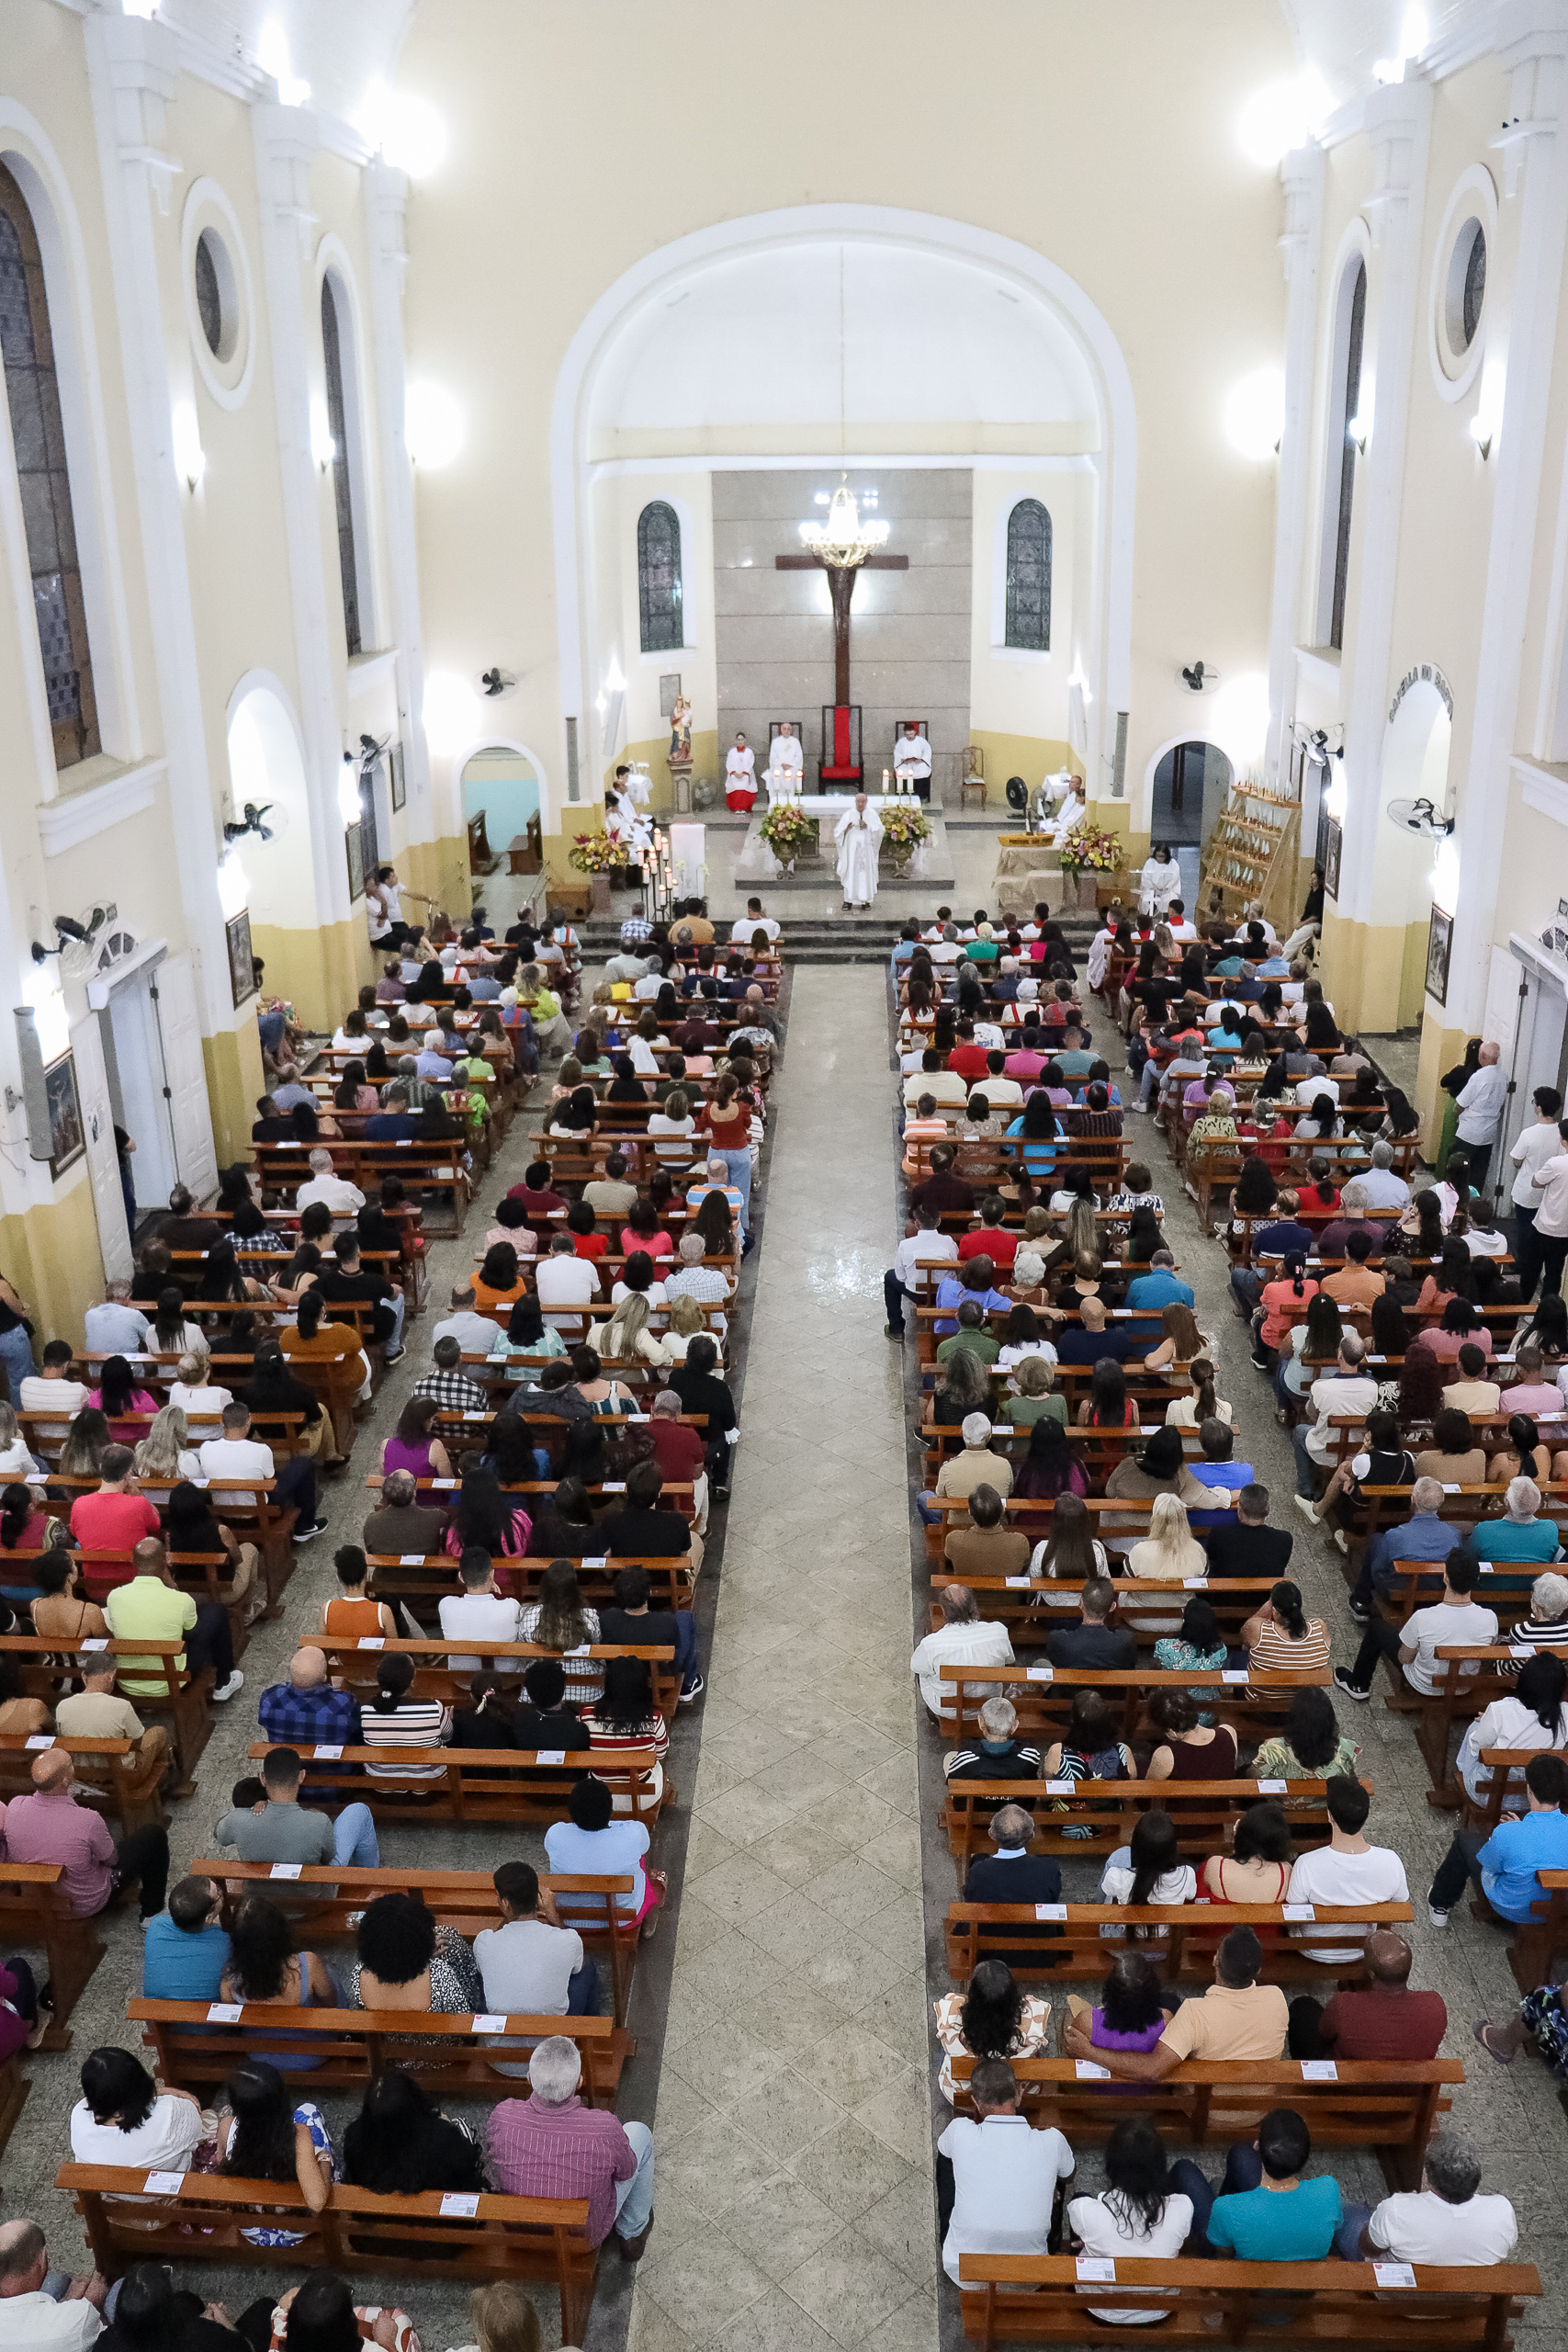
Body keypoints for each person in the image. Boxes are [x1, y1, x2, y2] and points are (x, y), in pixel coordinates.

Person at [488, 2033, 655, 2256]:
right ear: (579, 2082)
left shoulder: (503, 2116)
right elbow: (626, 2171)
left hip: (520, 2230)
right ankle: (632, 2232)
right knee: (639, 2132)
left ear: (529, 2078)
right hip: (581, 2238)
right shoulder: (603, 2128)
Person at [1063, 1926, 1287, 2080]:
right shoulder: (1277, 1998)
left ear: (1215, 1960)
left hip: (1205, 2108)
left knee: (1071, 2017)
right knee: (1170, 2001)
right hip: (1258, 2108)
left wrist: (1090, 2052)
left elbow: (1152, 2070)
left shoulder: (1194, 2012)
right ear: (1258, 1969)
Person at [937, 2056, 1074, 2286]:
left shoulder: (959, 2131)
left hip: (963, 2270)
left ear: (976, 2102)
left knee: (947, 2157)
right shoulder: (1052, 2140)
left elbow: (944, 2150)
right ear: (1018, 2095)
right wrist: (1044, 2182)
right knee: (1058, 2168)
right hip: (1032, 2275)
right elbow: (1069, 2174)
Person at [3, 1745, 170, 1919]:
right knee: (153, 1836)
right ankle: (151, 1914)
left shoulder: (15, 1806)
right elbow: (112, 1860)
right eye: (71, 1764)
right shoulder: (88, 1819)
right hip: (86, 1903)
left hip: (37, 1899)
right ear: (66, 1780)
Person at [1065, 2120, 1194, 2324]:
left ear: (1112, 2162)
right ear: (1160, 2163)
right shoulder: (1182, 2207)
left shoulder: (1085, 2209)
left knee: (1081, 2198)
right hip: (1159, 2311)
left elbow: (1081, 2213)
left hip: (1101, 2310)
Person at [1334, 1545, 1498, 1703]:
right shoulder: (1490, 1618)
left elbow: (1404, 1658)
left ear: (1446, 1577)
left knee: (1377, 1627)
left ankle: (1358, 1684)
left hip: (1424, 1684)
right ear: (1476, 1579)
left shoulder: (1423, 1617)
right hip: (1463, 1687)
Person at [1176, 2106, 1341, 2262]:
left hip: (1248, 2275)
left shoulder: (1226, 2207)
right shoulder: (1329, 2189)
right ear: (1305, 2156)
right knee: (1240, 2152)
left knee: (1184, 2170)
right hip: (1302, 2273)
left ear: (1257, 2146)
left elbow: (1223, 2253)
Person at [1427, 1750, 1568, 1927]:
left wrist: (1512, 1832)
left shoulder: (1509, 1832)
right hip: (1560, 1908)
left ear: (1529, 1788)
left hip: (1513, 1908)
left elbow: (1490, 1864)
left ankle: (1440, 1903)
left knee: (1464, 1842)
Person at [1281, 1776, 1408, 1964]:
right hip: (1363, 1947)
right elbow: (1399, 1904)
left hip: (1313, 1947)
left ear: (1329, 1816)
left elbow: (1294, 1908)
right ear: (1366, 1816)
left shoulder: (1306, 1864)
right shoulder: (1391, 1861)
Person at [105, 1534, 243, 1704]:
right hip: (173, 1680)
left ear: (133, 1562)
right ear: (165, 1562)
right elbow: (193, 1633)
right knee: (216, 1611)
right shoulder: (181, 1600)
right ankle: (224, 1681)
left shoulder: (114, 1596)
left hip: (128, 1682)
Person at [474, 1860, 598, 2041]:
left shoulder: (484, 1941)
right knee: (585, 1965)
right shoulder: (567, 1939)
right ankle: (591, 2033)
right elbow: (576, 1956)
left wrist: (508, 1916)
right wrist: (553, 1915)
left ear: (505, 1903)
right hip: (551, 2047)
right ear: (537, 1898)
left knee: (483, 1972)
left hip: (500, 2048)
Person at [1290, 1928, 1447, 2064]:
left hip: (1346, 2082)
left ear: (1371, 1974)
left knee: (1302, 2006)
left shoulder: (1344, 2005)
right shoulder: (1434, 2005)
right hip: (1408, 2084)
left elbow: (1324, 2034)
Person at [219, 1743, 379, 1869]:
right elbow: (328, 1858)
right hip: (313, 1895)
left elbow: (219, 1835)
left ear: (263, 1778)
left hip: (261, 1894)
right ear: (301, 1776)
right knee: (359, 1811)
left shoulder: (236, 1820)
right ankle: (368, 1880)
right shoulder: (318, 1821)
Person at [342, 2068, 484, 2195]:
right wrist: (446, 2124)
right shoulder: (442, 2137)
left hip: (377, 2211)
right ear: (414, 2100)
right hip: (439, 2211)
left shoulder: (355, 2136)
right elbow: (467, 2167)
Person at [69, 2045, 205, 2171]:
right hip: (171, 2184)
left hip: (113, 2188)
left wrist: (159, 2092)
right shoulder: (170, 2113)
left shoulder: (79, 2115)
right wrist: (162, 2093)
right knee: (211, 2118)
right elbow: (196, 2126)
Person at [0, 2217, 108, 2349]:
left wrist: (68, 2299)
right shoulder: (79, 2318)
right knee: (116, 2292)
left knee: (57, 2281)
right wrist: (92, 2302)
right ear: (40, 2262)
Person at [910, 1582, 1014, 1716]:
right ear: (973, 1606)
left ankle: (932, 1712)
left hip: (948, 1709)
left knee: (924, 1671)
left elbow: (916, 1666)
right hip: (989, 1705)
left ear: (944, 1611)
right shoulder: (998, 1631)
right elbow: (1010, 1660)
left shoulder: (931, 1644)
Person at [142, 1874, 231, 2001]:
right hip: (204, 2013)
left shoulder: (156, 1926)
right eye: (217, 1893)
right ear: (208, 1917)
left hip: (157, 2012)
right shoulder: (227, 1943)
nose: (219, 1891)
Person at [258, 1645, 362, 1749]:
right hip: (331, 1758)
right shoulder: (344, 1704)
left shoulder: (270, 1699)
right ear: (324, 1677)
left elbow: (263, 1721)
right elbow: (357, 1731)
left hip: (288, 1758)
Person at [1203, 1482, 1294, 1581]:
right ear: (1267, 1510)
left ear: (1239, 1507)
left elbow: (1210, 1560)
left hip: (1222, 1590)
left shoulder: (1219, 1533)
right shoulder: (1284, 1539)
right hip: (1267, 1591)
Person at [943, 1694, 1043, 1783]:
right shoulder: (1030, 1755)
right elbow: (1031, 1777)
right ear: (1014, 1726)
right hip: (1014, 1797)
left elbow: (952, 1782)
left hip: (977, 1797)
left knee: (950, 1756)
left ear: (981, 1722)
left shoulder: (966, 1757)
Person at [1044, 1577, 1136, 1669]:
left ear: (1081, 1603)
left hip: (1070, 1679)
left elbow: (1055, 1660)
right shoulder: (1126, 1639)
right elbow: (1130, 1664)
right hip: (1112, 1679)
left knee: (1041, 1663)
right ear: (1112, 1607)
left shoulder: (1058, 1638)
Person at [1452, 1040, 1507, 1189]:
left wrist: (1457, 1113)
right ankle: (1474, 1201)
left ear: (1481, 1056)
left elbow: (1461, 1104)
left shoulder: (1479, 1077)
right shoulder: (1503, 1077)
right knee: (1478, 1175)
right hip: (1488, 1132)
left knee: (1458, 1172)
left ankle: (1455, 1200)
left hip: (1470, 1132)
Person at [834, 791, 884, 910]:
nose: (860, 804)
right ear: (855, 802)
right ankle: (848, 900)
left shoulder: (872, 814)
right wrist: (846, 829)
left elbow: (880, 830)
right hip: (852, 848)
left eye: (863, 801)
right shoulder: (848, 814)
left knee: (865, 872)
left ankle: (866, 901)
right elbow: (838, 832)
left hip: (867, 848)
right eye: (858, 801)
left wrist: (868, 827)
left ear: (866, 802)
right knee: (851, 872)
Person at [894, 718, 932, 797]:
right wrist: (903, 760)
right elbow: (897, 754)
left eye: (911, 734)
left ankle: (922, 797)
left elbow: (927, 751)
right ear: (905, 734)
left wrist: (921, 759)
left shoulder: (921, 740)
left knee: (923, 772)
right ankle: (904, 796)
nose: (910, 736)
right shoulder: (901, 742)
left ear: (915, 732)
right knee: (902, 773)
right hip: (905, 765)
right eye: (907, 735)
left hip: (919, 764)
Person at [724, 731, 757, 810]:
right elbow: (729, 763)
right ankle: (736, 807)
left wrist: (744, 772)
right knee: (735, 785)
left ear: (744, 740)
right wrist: (734, 773)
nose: (740, 741)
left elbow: (751, 763)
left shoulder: (749, 752)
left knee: (745, 784)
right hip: (734, 774)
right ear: (736, 740)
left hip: (745, 774)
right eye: (738, 739)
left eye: (742, 739)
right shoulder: (732, 752)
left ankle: (744, 807)